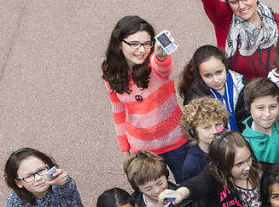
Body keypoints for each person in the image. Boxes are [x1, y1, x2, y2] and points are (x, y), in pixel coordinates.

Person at [100, 15, 189, 182]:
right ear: (119, 44)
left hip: (176, 141)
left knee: (188, 189)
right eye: (134, 44)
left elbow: (163, 67)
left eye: (147, 44)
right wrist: (124, 152)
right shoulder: (110, 71)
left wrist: (161, 55)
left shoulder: (154, 62)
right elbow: (118, 112)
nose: (141, 50)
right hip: (142, 149)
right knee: (154, 194)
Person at [188, 0, 279, 80]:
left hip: (275, 86)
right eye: (234, 1)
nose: (241, 5)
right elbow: (211, 3)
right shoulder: (224, 18)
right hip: (239, 91)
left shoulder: (276, 20)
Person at [176, 44, 246, 131]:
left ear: (225, 66)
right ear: (199, 74)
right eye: (208, 75)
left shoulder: (242, 85)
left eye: (219, 72)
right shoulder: (194, 97)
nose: (216, 80)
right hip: (214, 142)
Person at [179, 97, 228, 182]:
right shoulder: (192, 165)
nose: (214, 131)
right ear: (193, 132)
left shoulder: (230, 146)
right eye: (206, 127)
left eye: (218, 124)